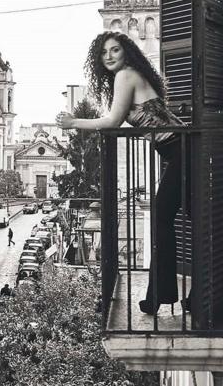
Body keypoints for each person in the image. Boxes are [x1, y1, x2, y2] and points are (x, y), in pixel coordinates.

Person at [58, 31, 189, 315]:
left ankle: (160, 297)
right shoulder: (130, 76)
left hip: (182, 151)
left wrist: (73, 122)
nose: (109, 56)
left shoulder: (125, 75)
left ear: (126, 52)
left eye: (115, 50)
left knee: (164, 218)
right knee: (191, 221)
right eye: (104, 52)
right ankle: (184, 296)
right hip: (180, 151)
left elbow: (113, 120)